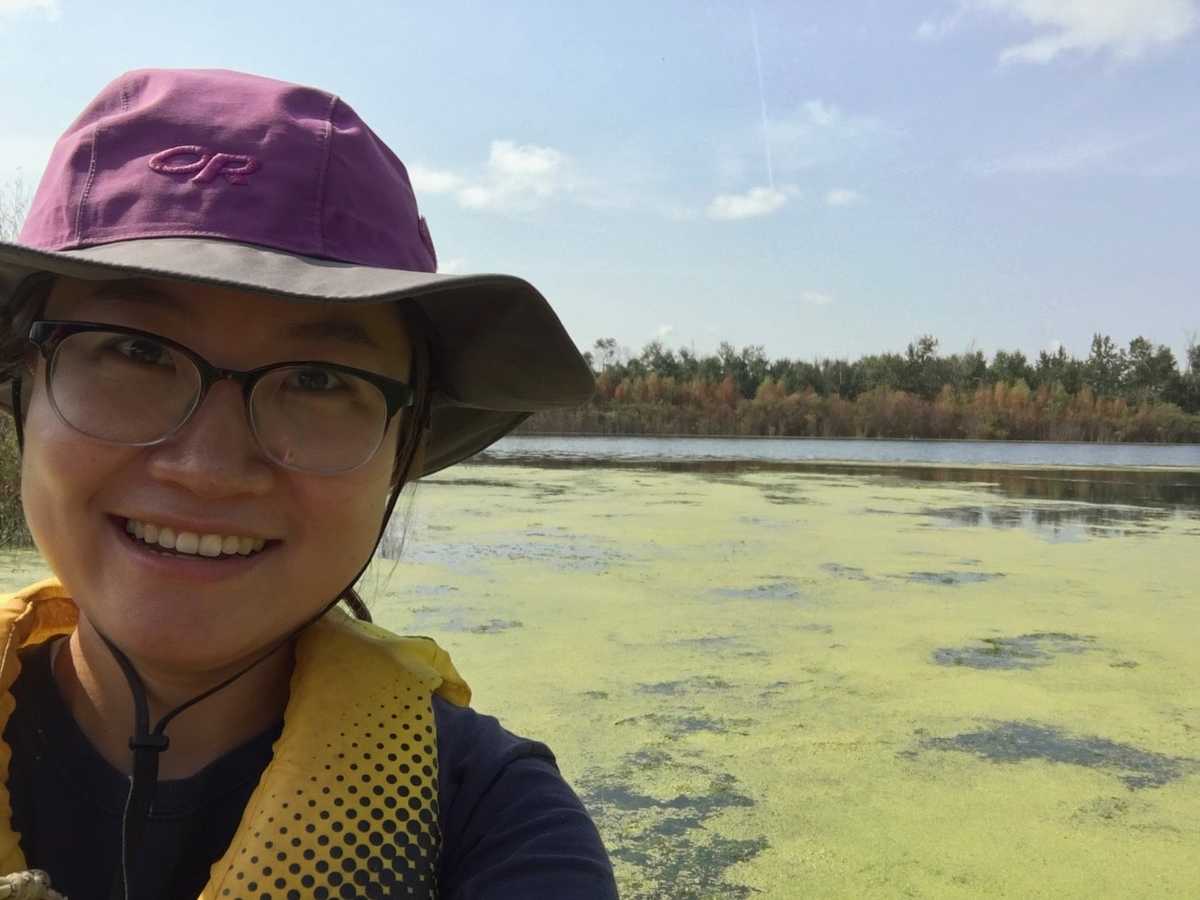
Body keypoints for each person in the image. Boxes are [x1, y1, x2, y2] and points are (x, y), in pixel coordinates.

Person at [0, 68, 618, 900]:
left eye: (321, 380)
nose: (209, 468)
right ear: (22, 392)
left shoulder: (495, 827)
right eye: (136, 351)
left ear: (402, 447)